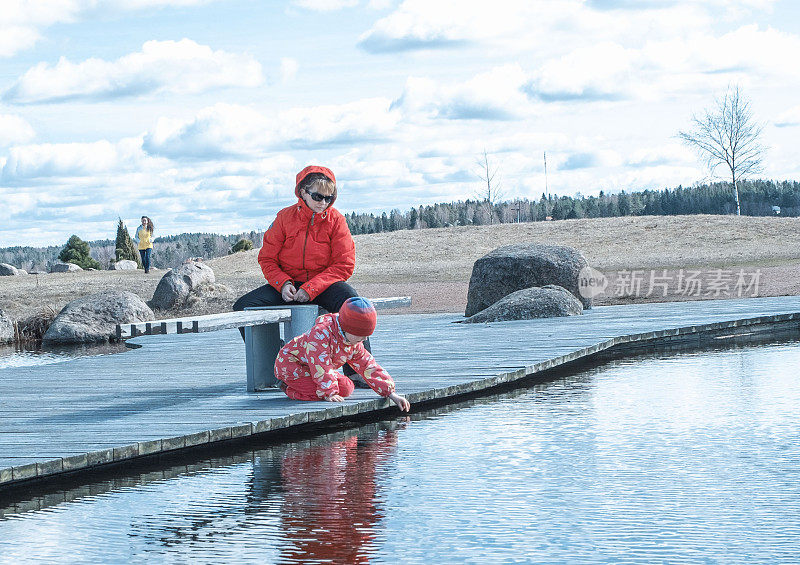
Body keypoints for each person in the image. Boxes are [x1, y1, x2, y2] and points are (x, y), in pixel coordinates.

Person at [232, 165, 370, 382]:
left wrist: (311, 288)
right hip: (289, 284)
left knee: (352, 304)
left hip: (324, 284)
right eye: (318, 196)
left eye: (329, 198)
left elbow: (344, 264)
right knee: (243, 307)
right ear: (303, 192)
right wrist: (283, 283)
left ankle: (357, 372)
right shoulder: (284, 218)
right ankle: (279, 362)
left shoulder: (336, 220)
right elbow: (267, 258)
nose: (323, 202)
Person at [274, 297, 410, 411]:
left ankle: (313, 388)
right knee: (321, 392)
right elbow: (320, 364)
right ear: (347, 328)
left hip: (315, 369)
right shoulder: (321, 334)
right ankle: (288, 388)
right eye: (361, 335)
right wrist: (328, 392)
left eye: (366, 336)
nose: (364, 340)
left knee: (347, 388)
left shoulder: (353, 342)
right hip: (292, 366)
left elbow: (367, 365)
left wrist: (391, 393)